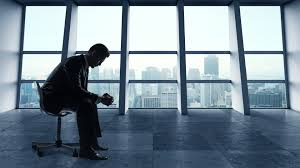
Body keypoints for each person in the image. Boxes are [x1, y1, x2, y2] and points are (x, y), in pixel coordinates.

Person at [41, 43, 114, 160]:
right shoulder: (74, 63)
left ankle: (92, 143)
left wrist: (99, 98)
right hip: (52, 100)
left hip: (61, 96)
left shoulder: (83, 65)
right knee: (86, 105)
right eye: (100, 60)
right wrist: (99, 98)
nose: (100, 64)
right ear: (93, 53)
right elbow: (76, 90)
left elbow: (81, 91)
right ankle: (85, 150)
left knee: (90, 103)